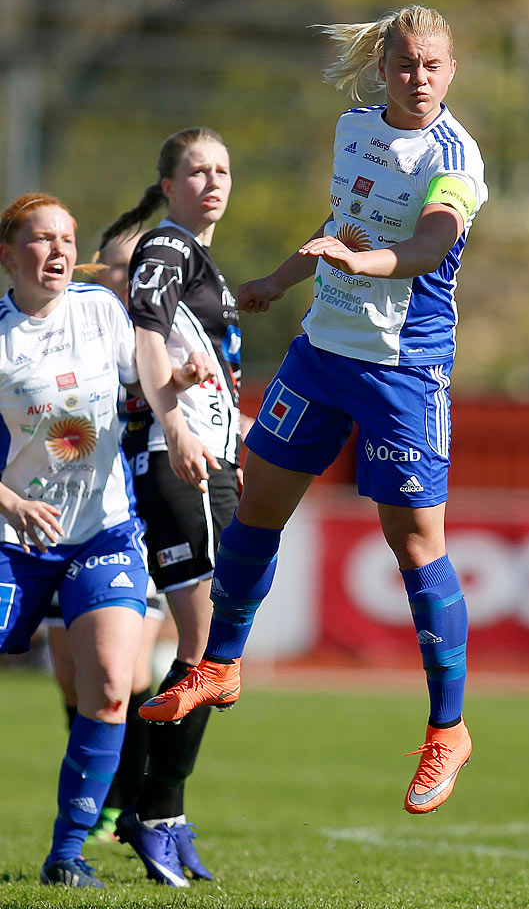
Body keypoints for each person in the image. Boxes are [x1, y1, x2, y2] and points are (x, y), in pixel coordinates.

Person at [141, 5, 488, 816]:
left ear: (452, 68)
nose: (419, 78)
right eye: (406, 64)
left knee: (413, 544)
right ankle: (220, 664)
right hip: (321, 353)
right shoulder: (354, 128)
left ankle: (449, 729)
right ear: (384, 68)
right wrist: (276, 278)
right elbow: (342, 224)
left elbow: (429, 244)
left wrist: (358, 260)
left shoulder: (456, 158)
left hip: (403, 369)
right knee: (259, 502)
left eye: (433, 65)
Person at [0, 193, 201, 887]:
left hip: (103, 533)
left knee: (114, 686)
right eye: (39, 239)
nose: (56, 251)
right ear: (7, 254)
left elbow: (141, 381)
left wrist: (175, 381)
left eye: (66, 238)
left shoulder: (99, 309)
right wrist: (10, 502)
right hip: (11, 538)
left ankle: (68, 852)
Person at [98, 127, 241, 885]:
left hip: (208, 465)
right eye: (197, 170)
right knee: (208, 646)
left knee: (207, 650)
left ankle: (155, 810)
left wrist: (229, 444)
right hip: (174, 461)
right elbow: (149, 337)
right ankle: (156, 810)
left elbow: (199, 362)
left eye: (222, 170)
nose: (212, 181)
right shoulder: (167, 248)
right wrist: (176, 422)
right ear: (170, 181)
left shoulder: (198, 258)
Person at [41, 229, 171, 846]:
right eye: (124, 268)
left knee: (127, 670)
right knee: (73, 674)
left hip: (130, 526)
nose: (136, 278)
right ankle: (100, 799)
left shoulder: (164, 333)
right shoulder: (82, 326)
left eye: (143, 267)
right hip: (56, 525)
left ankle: (131, 806)